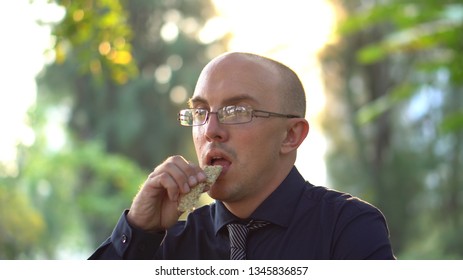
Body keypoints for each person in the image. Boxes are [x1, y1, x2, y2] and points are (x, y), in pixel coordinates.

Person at [89, 52, 395, 260]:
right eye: (200, 112)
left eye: (237, 111)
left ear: (291, 136)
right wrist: (138, 230)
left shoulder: (347, 228)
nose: (210, 130)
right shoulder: (167, 243)